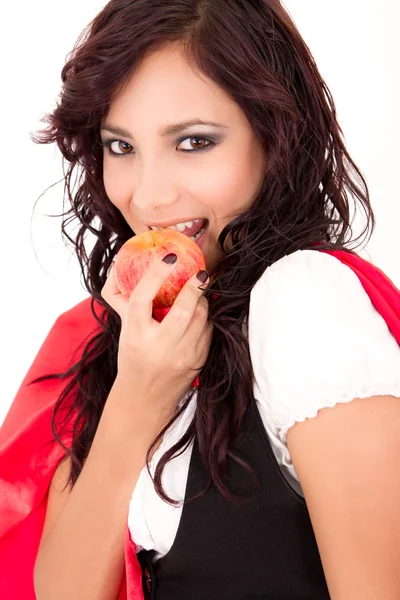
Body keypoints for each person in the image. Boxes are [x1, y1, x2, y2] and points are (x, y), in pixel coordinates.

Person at [1, 0, 400, 598]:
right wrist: (137, 396)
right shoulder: (125, 332)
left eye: (193, 142)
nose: (149, 196)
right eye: (121, 147)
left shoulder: (307, 303)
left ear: (276, 136)